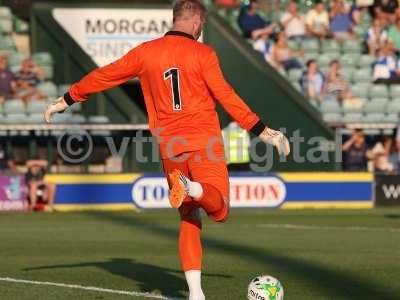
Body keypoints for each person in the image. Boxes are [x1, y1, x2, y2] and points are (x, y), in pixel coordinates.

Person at [44, 1, 290, 299]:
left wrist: (68, 98)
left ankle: (196, 293)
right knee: (220, 209)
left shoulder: (146, 52)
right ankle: (198, 189)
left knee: (188, 217)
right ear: (198, 23)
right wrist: (263, 131)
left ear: (175, 19)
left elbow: (107, 74)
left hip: (170, 147)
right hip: (203, 143)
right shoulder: (203, 53)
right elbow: (226, 95)